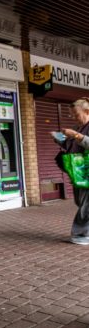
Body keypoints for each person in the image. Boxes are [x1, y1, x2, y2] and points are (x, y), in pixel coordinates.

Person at [55, 98, 89, 245]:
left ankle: (82, 235)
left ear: (87, 112)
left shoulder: (80, 130)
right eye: (72, 115)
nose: (75, 118)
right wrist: (60, 139)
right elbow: (72, 146)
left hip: (87, 172)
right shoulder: (80, 127)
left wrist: (75, 135)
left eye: (76, 114)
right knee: (80, 202)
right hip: (79, 173)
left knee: (86, 205)